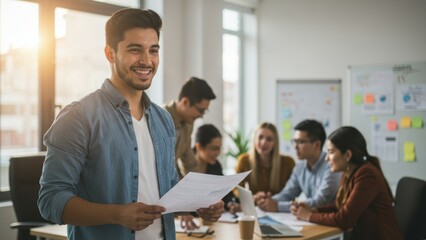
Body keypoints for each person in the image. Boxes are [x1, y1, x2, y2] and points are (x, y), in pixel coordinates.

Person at [38, 8, 224, 240]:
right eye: (135, 49)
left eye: (153, 50)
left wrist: (198, 204)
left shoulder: (163, 119)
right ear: (110, 54)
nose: (147, 61)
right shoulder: (78, 118)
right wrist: (117, 214)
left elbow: (169, 187)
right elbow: (50, 201)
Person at [291, 126, 403, 240]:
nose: (326, 158)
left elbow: (344, 220)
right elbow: (339, 207)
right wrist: (314, 210)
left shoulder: (367, 174)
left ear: (348, 155)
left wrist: (309, 216)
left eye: (331, 152)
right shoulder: (348, 171)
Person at [255, 119, 341, 212]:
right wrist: (268, 201)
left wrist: (278, 206)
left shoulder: (332, 165)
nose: (295, 146)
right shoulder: (300, 166)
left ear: (316, 144)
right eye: (294, 141)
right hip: (311, 220)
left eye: (300, 142)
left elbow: (320, 201)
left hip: (329, 221)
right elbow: (288, 194)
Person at [181, 124, 236, 229]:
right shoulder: (182, 164)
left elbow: (225, 191)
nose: (217, 153)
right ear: (199, 147)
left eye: (219, 148)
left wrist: (230, 203)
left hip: (207, 224)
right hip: (183, 224)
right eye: (214, 148)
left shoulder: (215, 166)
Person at [164, 77, 216, 179]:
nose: (202, 116)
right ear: (185, 102)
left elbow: (188, 161)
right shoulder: (160, 118)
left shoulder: (188, 123)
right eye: (201, 110)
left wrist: (202, 186)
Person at [235, 122, 295, 196]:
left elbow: (293, 191)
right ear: (254, 139)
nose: (263, 142)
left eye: (269, 139)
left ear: (275, 143)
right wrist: (253, 198)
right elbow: (236, 189)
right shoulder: (244, 161)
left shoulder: (288, 162)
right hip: (255, 206)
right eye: (260, 137)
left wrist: (274, 200)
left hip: (279, 206)